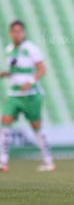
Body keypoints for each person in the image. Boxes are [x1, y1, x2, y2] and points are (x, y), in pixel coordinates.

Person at [0, 20, 55, 172]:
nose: (16, 34)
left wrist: (30, 81)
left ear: (23, 33)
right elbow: (14, 69)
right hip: (14, 94)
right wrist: (5, 74)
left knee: (36, 127)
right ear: (10, 33)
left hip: (31, 95)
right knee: (5, 121)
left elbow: (42, 69)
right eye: (13, 31)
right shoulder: (9, 49)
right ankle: (3, 161)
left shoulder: (31, 48)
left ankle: (48, 160)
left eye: (19, 31)